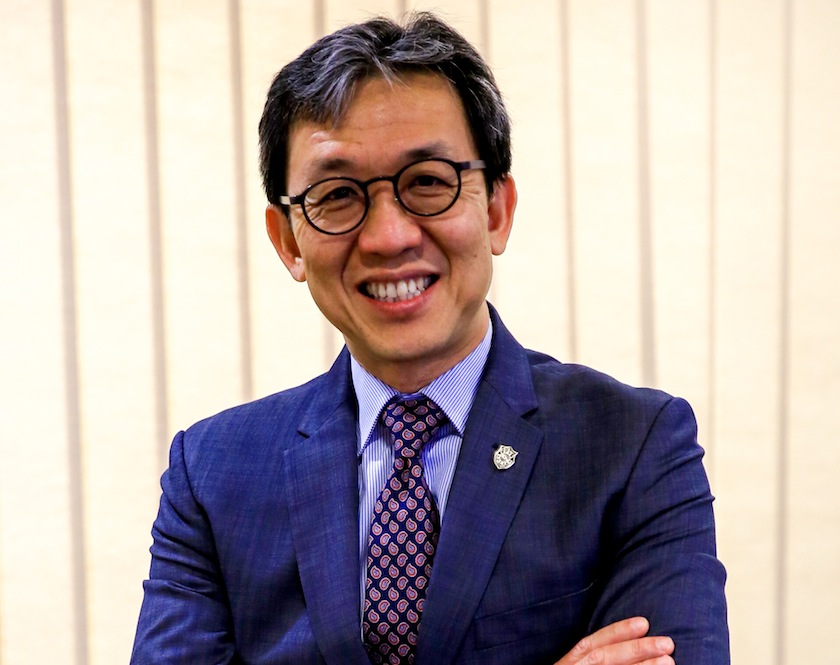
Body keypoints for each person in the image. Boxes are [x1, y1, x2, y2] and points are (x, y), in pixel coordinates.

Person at [131, 12, 729, 665]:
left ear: (496, 209)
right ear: (288, 241)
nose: (389, 237)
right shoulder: (212, 474)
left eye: (428, 182)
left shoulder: (634, 446)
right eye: (337, 194)